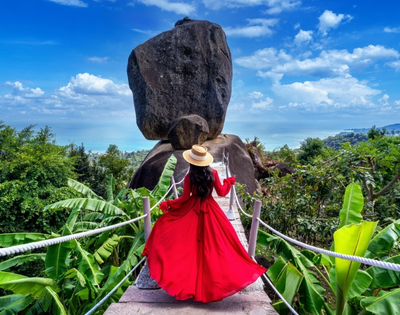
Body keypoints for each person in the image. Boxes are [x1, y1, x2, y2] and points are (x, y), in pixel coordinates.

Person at [142, 144, 266, 303]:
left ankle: (187, 285)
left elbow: (185, 198)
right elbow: (221, 192)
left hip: (192, 210)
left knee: (187, 247)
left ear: (192, 162)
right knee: (217, 247)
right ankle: (210, 286)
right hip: (211, 210)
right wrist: (228, 181)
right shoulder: (213, 173)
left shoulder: (189, 177)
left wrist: (170, 204)